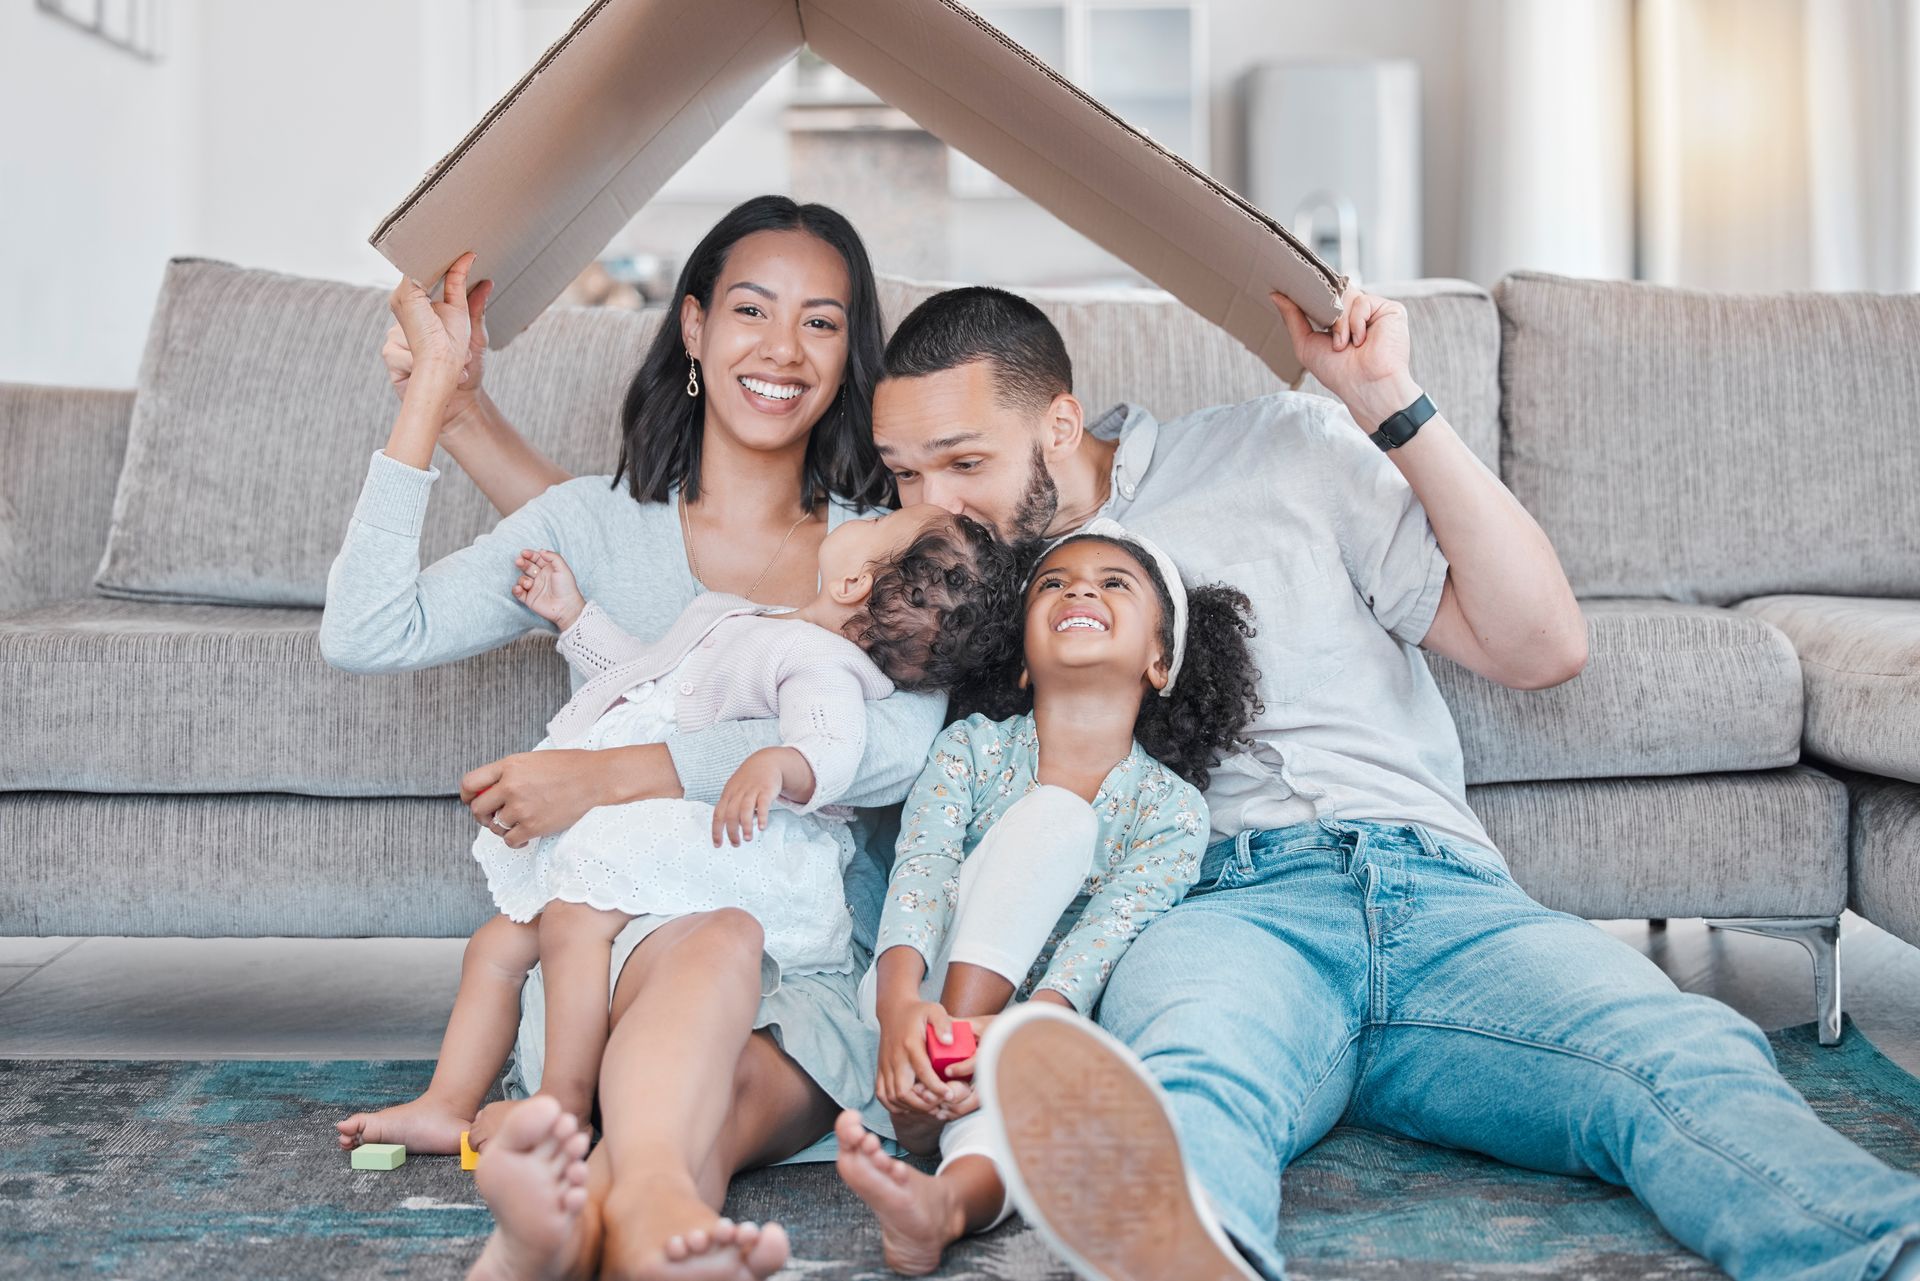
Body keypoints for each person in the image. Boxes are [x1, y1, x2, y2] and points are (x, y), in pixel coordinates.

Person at [864, 284, 1920, 1280]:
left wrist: (1387, 403)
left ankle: (1883, 1255)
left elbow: (1543, 645)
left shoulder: (1280, 447)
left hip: (1442, 894)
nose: (930, 505)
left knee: (1679, 1053)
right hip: (1218, 914)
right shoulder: (970, 605)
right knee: (1181, 1093)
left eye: (960, 463)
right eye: (903, 476)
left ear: (1058, 425)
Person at [323, 195, 952, 1280]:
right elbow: (368, 631)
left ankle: (579, 1237)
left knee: (705, 1104)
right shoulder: (592, 526)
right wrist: (430, 403)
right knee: (709, 940)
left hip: (806, 990)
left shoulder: (876, 543)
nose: (783, 348)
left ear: (851, 356)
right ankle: (655, 1216)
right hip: (601, 975)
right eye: (752, 310)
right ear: (695, 328)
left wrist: (614, 775)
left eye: (822, 321)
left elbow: (902, 747)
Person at [829, 519, 1262, 1275]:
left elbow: (1101, 947)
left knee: (1039, 1122)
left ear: (1160, 659)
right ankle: (941, 1066)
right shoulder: (972, 746)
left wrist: (1015, 1038)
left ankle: (940, 1205)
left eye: (1113, 583)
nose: (1080, 589)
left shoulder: (1172, 811)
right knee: (1058, 817)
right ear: (1024, 662)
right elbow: (922, 871)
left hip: (1027, 1037)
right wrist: (901, 1004)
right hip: (908, 1003)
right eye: (1053, 585)